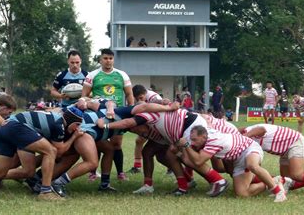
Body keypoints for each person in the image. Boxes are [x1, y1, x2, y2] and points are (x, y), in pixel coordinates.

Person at [0, 110, 81, 201]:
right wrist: (74, 136)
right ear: (73, 123)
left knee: (4, 171)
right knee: (51, 151)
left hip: (7, 127)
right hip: (17, 128)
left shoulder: (54, 117)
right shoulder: (59, 124)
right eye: (77, 126)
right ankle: (45, 192)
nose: (77, 129)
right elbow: (60, 150)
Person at [97, 109, 228, 196]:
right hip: (183, 128)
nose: (137, 132)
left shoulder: (146, 114)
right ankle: (184, 184)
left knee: (190, 159)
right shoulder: (153, 116)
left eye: (135, 129)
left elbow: (127, 122)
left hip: (189, 126)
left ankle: (218, 181)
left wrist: (105, 125)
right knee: (164, 154)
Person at [180, 126, 287, 202]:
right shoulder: (205, 133)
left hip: (249, 147)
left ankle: (279, 193)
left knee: (252, 165)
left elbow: (198, 161)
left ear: (203, 137)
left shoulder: (213, 141)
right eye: (191, 140)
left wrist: (186, 146)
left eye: (194, 140)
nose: (193, 142)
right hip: (237, 158)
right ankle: (273, 181)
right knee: (242, 194)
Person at [82, 48, 134, 181]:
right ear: (100, 60)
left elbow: (129, 94)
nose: (108, 61)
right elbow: (84, 96)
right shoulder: (92, 75)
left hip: (116, 114)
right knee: (98, 141)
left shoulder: (122, 75)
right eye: (105, 58)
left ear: (113, 60)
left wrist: (130, 110)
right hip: (98, 114)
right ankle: (93, 172)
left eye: (110, 58)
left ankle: (120, 173)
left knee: (117, 144)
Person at [241, 124, 304, 195]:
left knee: (297, 175)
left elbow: (262, 129)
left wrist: (244, 138)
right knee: (288, 182)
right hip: (283, 149)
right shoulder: (242, 140)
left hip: (294, 141)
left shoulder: (248, 133)